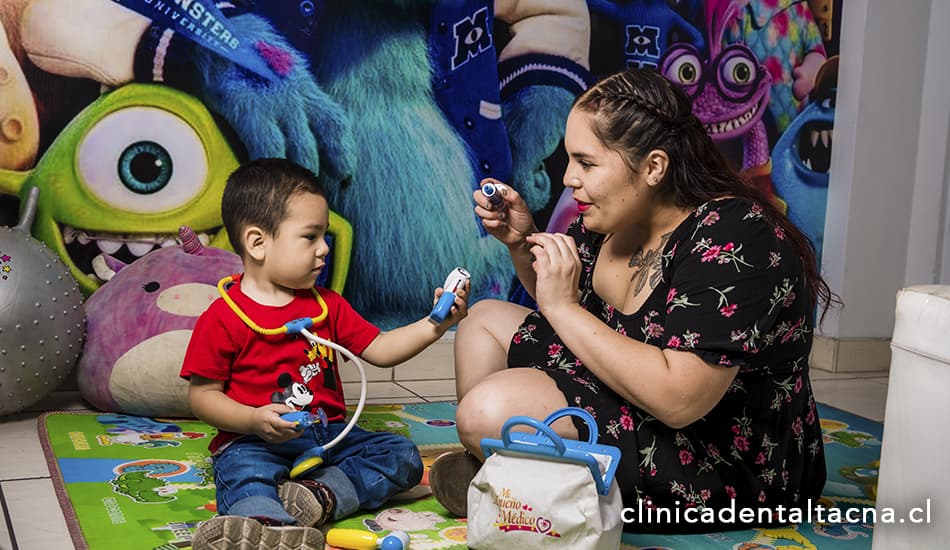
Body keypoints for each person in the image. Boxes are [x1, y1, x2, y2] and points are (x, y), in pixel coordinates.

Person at [429, 67, 835, 533]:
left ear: (654, 167)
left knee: (488, 412)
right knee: (482, 321)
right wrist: (523, 244)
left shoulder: (736, 235)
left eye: (586, 163)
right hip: (633, 392)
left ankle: (530, 489)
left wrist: (564, 309)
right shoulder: (613, 216)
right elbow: (569, 314)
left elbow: (680, 401)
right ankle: (502, 473)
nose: (568, 178)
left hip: (715, 452)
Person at [181, 158, 469, 549]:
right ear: (257, 242)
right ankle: (267, 526)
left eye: (324, 236)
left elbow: (381, 350)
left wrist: (435, 325)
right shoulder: (223, 317)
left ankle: (317, 497)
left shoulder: (327, 305)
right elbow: (202, 396)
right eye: (310, 237)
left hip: (328, 437)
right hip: (254, 439)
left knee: (401, 454)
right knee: (243, 472)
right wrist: (251, 419)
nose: (324, 249)